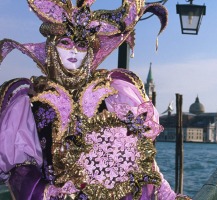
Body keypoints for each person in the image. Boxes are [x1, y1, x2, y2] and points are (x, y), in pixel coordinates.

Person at [0, 0, 190, 199]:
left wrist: (167, 195)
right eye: (65, 42)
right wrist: (48, 192)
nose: (74, 50)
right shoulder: (32, 100)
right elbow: (20, 168)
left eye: (82, 45)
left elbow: (136, 157)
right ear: (51, 46)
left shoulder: (111, 92)